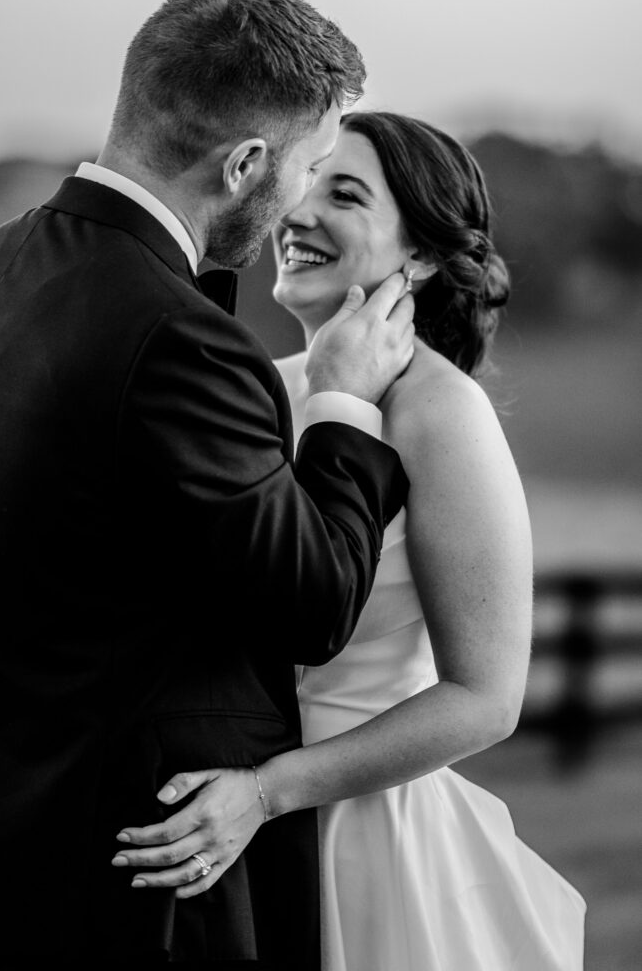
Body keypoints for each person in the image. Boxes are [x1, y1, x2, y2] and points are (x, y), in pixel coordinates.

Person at [0, 0, 419, 968]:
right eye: (304, 168)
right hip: (135, 883)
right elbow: (310, 601)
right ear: (246, 162)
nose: (298, 199)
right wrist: (342, 401)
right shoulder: (180, 342)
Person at [113, 112, 587, 970]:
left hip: (359, 837)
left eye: (348, 193)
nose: (298, 212)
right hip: (223, 829)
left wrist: (267, 792)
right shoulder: (267, 385)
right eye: (309, 180)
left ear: (420, 255)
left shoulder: (442, 415)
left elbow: (486, 697)